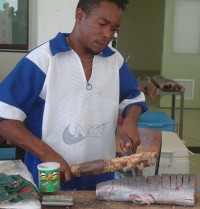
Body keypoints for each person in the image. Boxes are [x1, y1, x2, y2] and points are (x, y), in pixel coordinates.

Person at [0, 0, 147, 190]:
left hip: (101, 182)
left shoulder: (114, 60)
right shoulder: (44, 60)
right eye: (102, 24)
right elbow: (5, 117)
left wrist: (130, 122)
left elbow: (132, 98)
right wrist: (46, 153)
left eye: (114, 28)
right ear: (80, 16)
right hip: (51, 181)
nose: (108, 35)